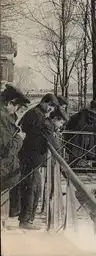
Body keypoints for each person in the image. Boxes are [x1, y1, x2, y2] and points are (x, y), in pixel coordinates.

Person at [17, 93, 59, 230]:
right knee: (31, 188)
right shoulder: (37, 115)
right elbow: (46, 135)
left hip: (31, 156)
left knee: (35, 188)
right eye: (50, 106)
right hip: (30, 157)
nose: (51, 109)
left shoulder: (35, 113)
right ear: (43, 102)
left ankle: (28, 219)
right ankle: (25, 221)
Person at [0, 85, 30, 225]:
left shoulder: (4, 116)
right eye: (16, 106)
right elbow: (7, 149)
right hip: (3, 171)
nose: (16, 111)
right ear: (10, 103)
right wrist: (20, 138)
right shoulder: (2, 118)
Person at [64, 100, 96, 165]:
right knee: (88, 149)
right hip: (87, 135)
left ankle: (80, 161)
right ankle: (85, 161)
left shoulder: (84, 113)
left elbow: (75, 122)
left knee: (80, 149)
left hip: (83, 135)